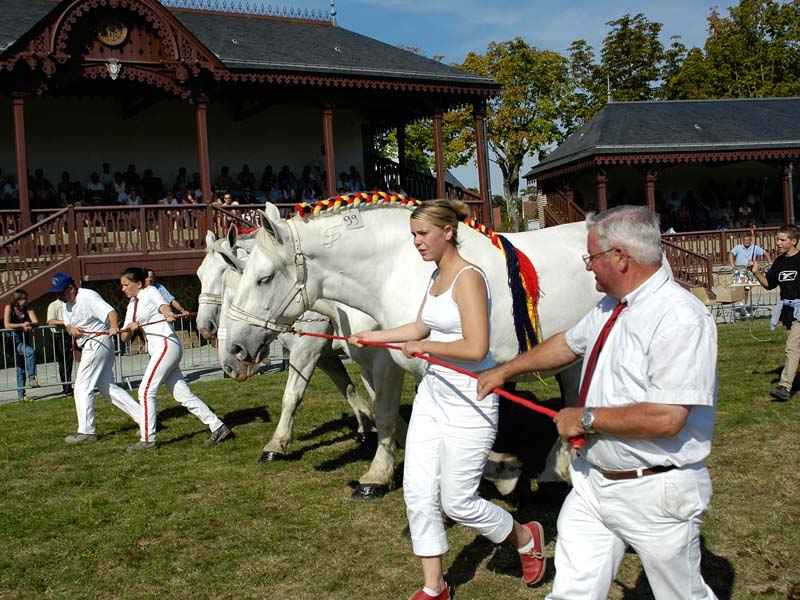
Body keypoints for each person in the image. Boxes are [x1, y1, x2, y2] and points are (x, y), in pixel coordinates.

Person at [477, 205, 718, 600]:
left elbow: (668, 417)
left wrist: (585, 419)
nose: (587, 267)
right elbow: (567, 344)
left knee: (681, 594)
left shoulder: (679, 318)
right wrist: (504, 371)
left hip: (655, 489)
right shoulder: (611, 306)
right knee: (572, 591)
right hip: (594, 483)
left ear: (621, 257)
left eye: (592, 258)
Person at [349, 200, 545, 600]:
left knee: (458, 503)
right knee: (418, 491)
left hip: (470, 401)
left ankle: (525, 536)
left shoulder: (469, 278)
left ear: (448, 232)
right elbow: (421, 326)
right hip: (434, 396)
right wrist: (375, 336)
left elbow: (476, 348)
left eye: (423, 234)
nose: (417, 243)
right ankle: (434, 586)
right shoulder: (436, 276)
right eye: (413, 235)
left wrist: (425, 349)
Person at [119, 267, 232, 452]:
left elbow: (163, 305)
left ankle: (147, 439)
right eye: (122, 286)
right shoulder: (131, 305)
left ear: (138, 284)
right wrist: (128, 329)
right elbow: (124, 338)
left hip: (166, 346)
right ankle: (218, 427)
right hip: (159, 352)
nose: (123, 289)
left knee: (146, 391)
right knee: (183, 395)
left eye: (126, 285)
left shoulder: (150, 292)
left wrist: (168, 313)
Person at [48, 273, 142, 444]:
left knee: (82, 387)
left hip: (98, 342)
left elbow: (111, 312)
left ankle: (86, 432)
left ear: (71, 288)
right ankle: (145, 419)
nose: (58, 296)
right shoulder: (66, 304)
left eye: (60, 292)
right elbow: (68, 324)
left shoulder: (88, 296)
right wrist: (71, 330)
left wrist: (113, 326)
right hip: (90, 344)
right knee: (107, 387)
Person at [751, 224, 800, 402]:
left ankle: (785, 387)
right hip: (787, 312)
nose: (778, 243)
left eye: (782, 239)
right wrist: (757, 273)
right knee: (796, 349)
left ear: (793, 241)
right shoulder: (779, 262)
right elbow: (769, 284)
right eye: (777, 239)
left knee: (792, 347)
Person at [3, 289, 39, 400]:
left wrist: (29, 323)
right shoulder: (9, 307)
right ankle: (32, 378)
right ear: (17, 300)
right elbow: (7, 324)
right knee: (30, 352)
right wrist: (21, 325)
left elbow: (36, 322)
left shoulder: (28, 308)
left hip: (25, 337)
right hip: (14, 339)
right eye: (24, 299)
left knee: (20, 367)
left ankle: (21, 395)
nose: (26, 301)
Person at [729, 233, 772, 315]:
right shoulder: (738, 247)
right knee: (740, 289)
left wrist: (770, 263)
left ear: (750, 241)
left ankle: (743, 306)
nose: (746, 242)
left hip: (750, 271)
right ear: (742, 240)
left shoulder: (755, 248)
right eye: (745, 240)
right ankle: (742, 306)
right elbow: (731, 254)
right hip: (740, 271)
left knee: (746, 290)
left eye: (748, 240)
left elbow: (765, 253)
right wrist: (733, 265)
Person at [46, 298, 74, 396]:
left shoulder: (71, 303)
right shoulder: (54, 305)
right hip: (60, 335)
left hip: (71, 333)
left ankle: (69, 387)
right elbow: (50, 321)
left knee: (69, 362)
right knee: (63, 362)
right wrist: (66, 322)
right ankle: (67, 388)